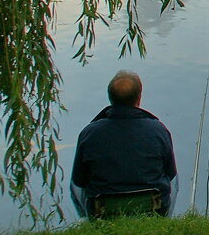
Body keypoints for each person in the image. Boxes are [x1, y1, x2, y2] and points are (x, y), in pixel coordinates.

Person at [70, 70, 177, 218]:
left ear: (110, 98)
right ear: (139, 98)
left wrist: (84, 216)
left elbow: (77, 185)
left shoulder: (89, 134)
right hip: (153, 211)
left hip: (102, 214)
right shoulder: (158, 131)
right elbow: (172, 178)